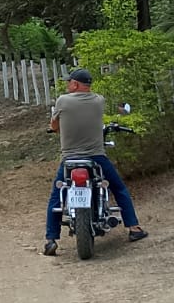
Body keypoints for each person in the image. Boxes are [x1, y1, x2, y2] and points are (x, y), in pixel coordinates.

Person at [43, 68, 146, 256]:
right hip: (96, 158)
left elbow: (54, 126)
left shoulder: (62, 101)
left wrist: (58, 128)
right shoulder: (99, 101)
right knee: (119, 188)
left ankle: (51, 240)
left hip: (70, 159)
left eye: (69, 82)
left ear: (75, 84)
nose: (67, 85)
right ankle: (134, 228)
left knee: (56, 195)